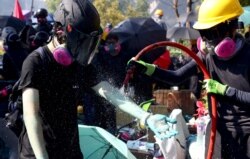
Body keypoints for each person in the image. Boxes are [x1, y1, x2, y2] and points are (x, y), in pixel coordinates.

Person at [18, 0, 174, 158]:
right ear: (60, 30)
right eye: (79, 41)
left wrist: (145, 116)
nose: (82, 49)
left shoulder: (78, 62)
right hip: (37, 151)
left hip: (69, 151)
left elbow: (108, 91)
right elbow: (31, 115)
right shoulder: (35, 62)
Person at [127, 0, 250, 158]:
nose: (207, 41)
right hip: (218, 132)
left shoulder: (248, 56)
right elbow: (176, 77)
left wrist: (226, 91)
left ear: (231, 27)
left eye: (212, 33)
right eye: (204, 34)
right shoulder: (207, 55)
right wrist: (148, 69)